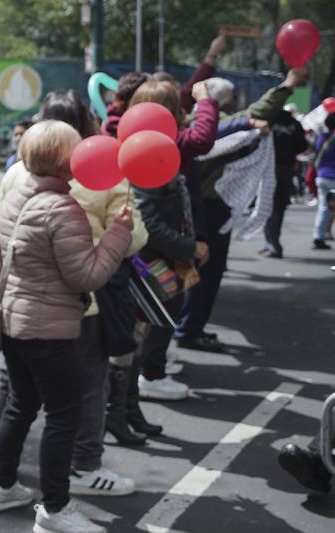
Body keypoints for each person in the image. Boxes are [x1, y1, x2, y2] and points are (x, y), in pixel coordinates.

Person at [0, 119, 133, 533]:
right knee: (64, 417)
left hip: (13, 321)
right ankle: (54, 509)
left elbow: (0, 263)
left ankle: (1, 485)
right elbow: (86, 276)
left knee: (20, 404)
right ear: (67, 163)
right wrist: (119, 233)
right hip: (50, 331)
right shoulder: (63, 208)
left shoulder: (14, 197)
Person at [174, 66, 309, 353]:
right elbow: (255, 113)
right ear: (221, 103)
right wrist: (285, 85)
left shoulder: (190, 126)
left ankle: (184, 328)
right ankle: (187, 330)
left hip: (194, 209)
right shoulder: (207, 128)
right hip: (208, 211)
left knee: (192, 272)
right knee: (204, 274)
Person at [128, 79, 217, 401]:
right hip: (155, 254)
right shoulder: (144, 153)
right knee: (157, 315)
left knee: (167, 312)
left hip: (171, 251)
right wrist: (190, 247)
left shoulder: (159, 147)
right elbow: (149, 221)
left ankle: (153, 367)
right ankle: (151, 374)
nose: (181, 115)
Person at [260, 107, 308, 258]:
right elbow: (303, 145)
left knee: (269, 206)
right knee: (279, 207)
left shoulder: (268, 121)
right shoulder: (294, 123)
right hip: (287, 168)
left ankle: (272, 244)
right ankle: (272, 242)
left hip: (270, 168)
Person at [310, 113, 335, 250]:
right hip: (333, 177)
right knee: (328, 209)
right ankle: (324, 235)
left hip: (321, 176)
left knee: (324, 208)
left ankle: (318, 237)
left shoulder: (322, 138)